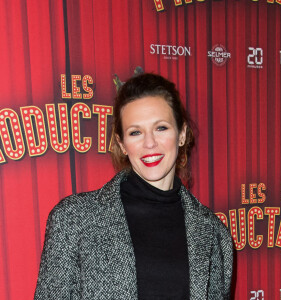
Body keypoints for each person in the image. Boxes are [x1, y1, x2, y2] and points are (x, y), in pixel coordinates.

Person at [34, 73, 233, 299]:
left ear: (182, 134)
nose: (149, 143)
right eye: (135, 132)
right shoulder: (73, 219)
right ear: (122, 144)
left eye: (161, 128)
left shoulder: (212, 231)